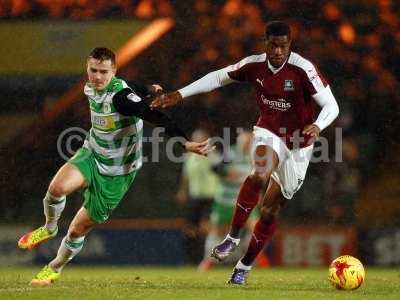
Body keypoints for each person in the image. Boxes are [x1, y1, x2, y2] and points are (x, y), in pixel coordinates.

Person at [151, 21, 339, 284]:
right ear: (266, 43)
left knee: (270, 211)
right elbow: (218, 76)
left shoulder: (304, 69)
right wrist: (179, 95)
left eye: (283, 46)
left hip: (299, 145)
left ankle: (244, 265)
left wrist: (318, 125)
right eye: (273, 45)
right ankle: (232, 237)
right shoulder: (254, 65)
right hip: (269, 132)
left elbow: (332, 106)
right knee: (258, 173)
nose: (277, 51)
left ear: (289, 45)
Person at [17, 47, 214, 286]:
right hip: (92, 153)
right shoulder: (90, 86)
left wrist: (184, 143)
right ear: (87, 68)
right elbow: (130, 83)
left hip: (118, 172)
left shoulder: (121, 99)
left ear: (113, 72)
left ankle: (54, 267)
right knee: (56, 189)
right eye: (93, 70)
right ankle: (49, 228)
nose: (97, 77)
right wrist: (149, 88)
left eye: (103, 72)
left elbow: (155, 116)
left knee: (78, 229)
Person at [198, 130, 269, 272]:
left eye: (251, 142)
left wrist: (259, 193)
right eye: (246, 142)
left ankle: (259, 259)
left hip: (245, 201)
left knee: (255, 229)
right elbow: (215, 167)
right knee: (218, 233)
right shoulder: (230, 153)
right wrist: (226, 172)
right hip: (225, 200)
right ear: (240, 141)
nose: (248, 144)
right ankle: (208, 261)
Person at [176, 128, 220, 264]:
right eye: (195, 138)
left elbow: (222, 172)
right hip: (195, 196)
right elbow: (186, 176)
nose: (197, 141)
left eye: (200, 138)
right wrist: (182, 191)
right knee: (190, 229)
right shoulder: (190, 157)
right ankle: (192, 257)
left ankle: (207, 258)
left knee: (206, 227)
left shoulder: (213, 155)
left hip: (211, 196)